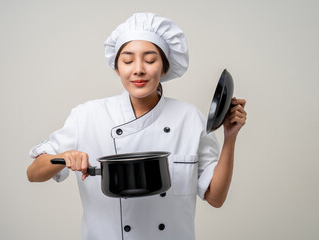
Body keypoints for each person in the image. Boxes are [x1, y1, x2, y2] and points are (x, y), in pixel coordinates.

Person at [27, 12, 247, 240]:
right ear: (117, 67)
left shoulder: (190, 118)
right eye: (128, 60)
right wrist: (64, 157)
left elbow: (216, 198)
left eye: (150, 60)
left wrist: (230, 138)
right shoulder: (87, 116)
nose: (138, 69)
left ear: (164, 67)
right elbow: (33, 173)